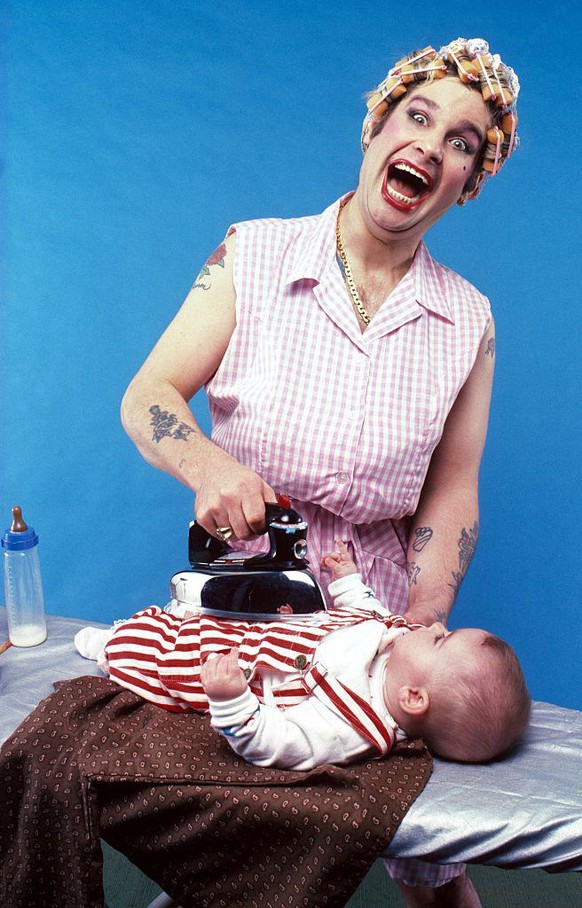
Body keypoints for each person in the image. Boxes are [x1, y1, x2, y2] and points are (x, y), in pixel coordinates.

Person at [119, 36, 520, 908]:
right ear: (377, 127)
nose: (432, 144)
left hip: (373, 605)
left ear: (467, 181)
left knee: (430, 865)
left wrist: (425, 610)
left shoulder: (469, 321)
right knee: (238, 825)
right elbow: (148, 394)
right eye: (417, 116)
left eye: (461, 141)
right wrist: (207, 463)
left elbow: (454, 487)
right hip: (249, 593)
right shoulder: (252, 253)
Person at [75, 541, 530, 770]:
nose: (433, 625)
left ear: (413, 698)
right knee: (192, 616)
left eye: (441, 640)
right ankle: (127, 631)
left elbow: (276, 743)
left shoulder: (350, 725)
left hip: (237, 666)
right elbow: (366, 611)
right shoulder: (395, 648)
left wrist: (232, 700)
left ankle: (108, 647)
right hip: (269, 629)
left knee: (160, 652)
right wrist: (349, 581)